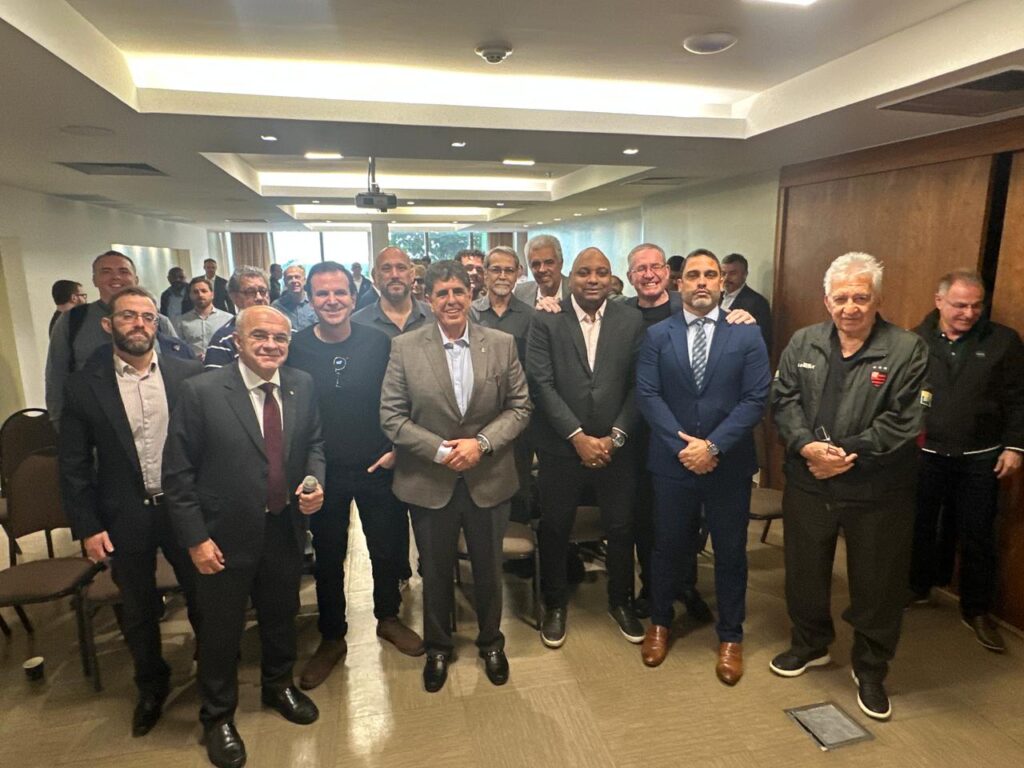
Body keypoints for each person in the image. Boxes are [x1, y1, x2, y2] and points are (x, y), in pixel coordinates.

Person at [163, 305, 325, 768]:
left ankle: (279, 688)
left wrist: (315, 483)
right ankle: (217, 717)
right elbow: (177, 474)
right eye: (260, 336)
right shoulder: (200, 392)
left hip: (283, 527)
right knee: (220, 630)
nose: (271, 345)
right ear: (236, 340)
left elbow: (313, 443)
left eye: (280, 337)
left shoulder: (301, 384)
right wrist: (195, 539)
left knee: (281, 616)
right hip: (221, 537)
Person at [770, 251, 928, 722]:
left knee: (877, 581)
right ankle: (810, 643)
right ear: (827, 300)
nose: (851, 307)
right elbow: (784, 401)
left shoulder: (907, 349)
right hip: (809, 480)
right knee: (803, 568)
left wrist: (846, 454)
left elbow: (908, 419)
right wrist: (805, 447)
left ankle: (872, 667)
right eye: (841, 298)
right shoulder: (803, 343)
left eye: (861, 297)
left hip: (877, 488)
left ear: (877, 299)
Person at [380, 260, 531, 693]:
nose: (451, 300)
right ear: (427, 298)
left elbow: (520, 407)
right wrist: (442, 450)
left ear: (472, 294)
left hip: (489, 479)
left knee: (489, 569)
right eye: (441, 293)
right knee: (436, 570)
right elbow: (391, 417)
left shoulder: (501, 344)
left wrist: (480, 444)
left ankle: (491, 643)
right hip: (429, 481)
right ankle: (438, 648)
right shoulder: (405, 348)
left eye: (458, 292)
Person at [60, 286, 202, 738]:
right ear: (109, 324)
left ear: (157, 324)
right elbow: (74, 465)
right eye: (128, 317)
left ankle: (213, 676)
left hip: (183, 509)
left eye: (147, 317)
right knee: (139, 609)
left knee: (204, 595)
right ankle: (151, 686)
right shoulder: (83, 385)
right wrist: (88, 527)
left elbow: (206, 450)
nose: (139, 324)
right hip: (125, 514)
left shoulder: (187, 375)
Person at [286, 261, 424, 692]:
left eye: (340, 292)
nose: (332, 301)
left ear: (354, 295)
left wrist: (396, 449)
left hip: (376, 464)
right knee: (329, 559)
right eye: (322, 293)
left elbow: (405, 396)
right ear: (309, 299)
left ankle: (388, 617)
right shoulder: (294, 346)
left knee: (387, 549)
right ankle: (332, 637)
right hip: (321, 472)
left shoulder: (379, 342)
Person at [635, 249, 770, 685]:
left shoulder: (746, 334)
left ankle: (730, 636)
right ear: (679, 283)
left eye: (710, 275)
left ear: (721, 283)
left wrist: (712, 446)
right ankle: (659, 622)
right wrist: (684, 447)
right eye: (692, 274)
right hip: (672, 463)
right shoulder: (659, 334)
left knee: (731, 553)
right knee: (667, 546)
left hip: (728, 465)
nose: (701, 282)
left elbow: (756, 398)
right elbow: (648, 395)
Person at [526, 247, 645, 648]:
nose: (592, 280)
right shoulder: (546, 319)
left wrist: (616, 436)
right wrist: (577, 437)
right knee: (557, 529)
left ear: (612, 279)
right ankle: (555, 605)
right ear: (569, 278)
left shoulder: (631, 319)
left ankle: (621, 601)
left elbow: (638, 385)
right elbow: (540, 384)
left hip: (617, 448)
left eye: (601, 272)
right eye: (583, 273)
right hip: (562, 450)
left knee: (621, 527)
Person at [909, 269, 1024, 652]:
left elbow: (1018, 399)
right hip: (925, 454)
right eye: (960, 304)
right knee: (919, 525)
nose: (969, 312)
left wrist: (1015, 446)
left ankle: (976, 610)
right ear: (939, 300)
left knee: (978, 535)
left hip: (981, 457)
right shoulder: (914, 339)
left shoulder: (1003, 342)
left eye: (977, 305)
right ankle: (917, 587)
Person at [46, 250, 180, 424]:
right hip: (94, 423)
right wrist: (59, 423)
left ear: (136, 279)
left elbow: (175, 370)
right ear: (94, 280)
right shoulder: (73, 321)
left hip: (154, 420)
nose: (116, 277)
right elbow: (56, 375)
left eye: (124, 272)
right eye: (106, 271)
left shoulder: (159, 322)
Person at [471, 246, 536, 523]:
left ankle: (519, 556)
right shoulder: (469, 314)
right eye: (495, 269)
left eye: (509, 270)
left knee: (518, 484)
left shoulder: (531, 316)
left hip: (517, 417)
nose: (502, 276)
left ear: (518, 274)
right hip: (477, 417)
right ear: (485, 274)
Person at [351, 246, 433, 339]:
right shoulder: (357, 324)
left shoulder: (434, 317)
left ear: (411, 275)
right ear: (376, 277)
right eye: (386, 269)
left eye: (401, 268)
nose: (395, 275)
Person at [203, 266, 271, 369]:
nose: (259, 298)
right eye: (250, 292)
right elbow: (215, 382)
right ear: (234, 297)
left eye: (262, 291)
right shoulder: (223, 341)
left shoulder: (287, 332)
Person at [721, 253, 773, 353]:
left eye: (732, 273)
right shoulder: (716, 298)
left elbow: (764, 342)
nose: (726, 278)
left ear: (745, 274)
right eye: (723, 273)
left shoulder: (759, 303)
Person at [175, 277, 233, 360]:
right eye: (195, 292)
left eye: (204, 291)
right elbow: (178, 348)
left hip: (222, 367)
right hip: (194, 368)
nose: (200, 295)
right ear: (190, 296)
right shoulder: (181, 321)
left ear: (212, 294)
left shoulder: (228, 319)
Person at [514, 235, 571, 307]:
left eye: (549, 262)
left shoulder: (575, 290)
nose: (542, 269)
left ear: (561, 263)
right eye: (536, 264)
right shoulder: (521, 292)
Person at [271, 264, 317, 331]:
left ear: (304, 280)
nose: (294, 281)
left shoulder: (316, 302)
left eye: (297, 277)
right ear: (285, 282)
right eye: (290, 278)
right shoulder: (276, 307)